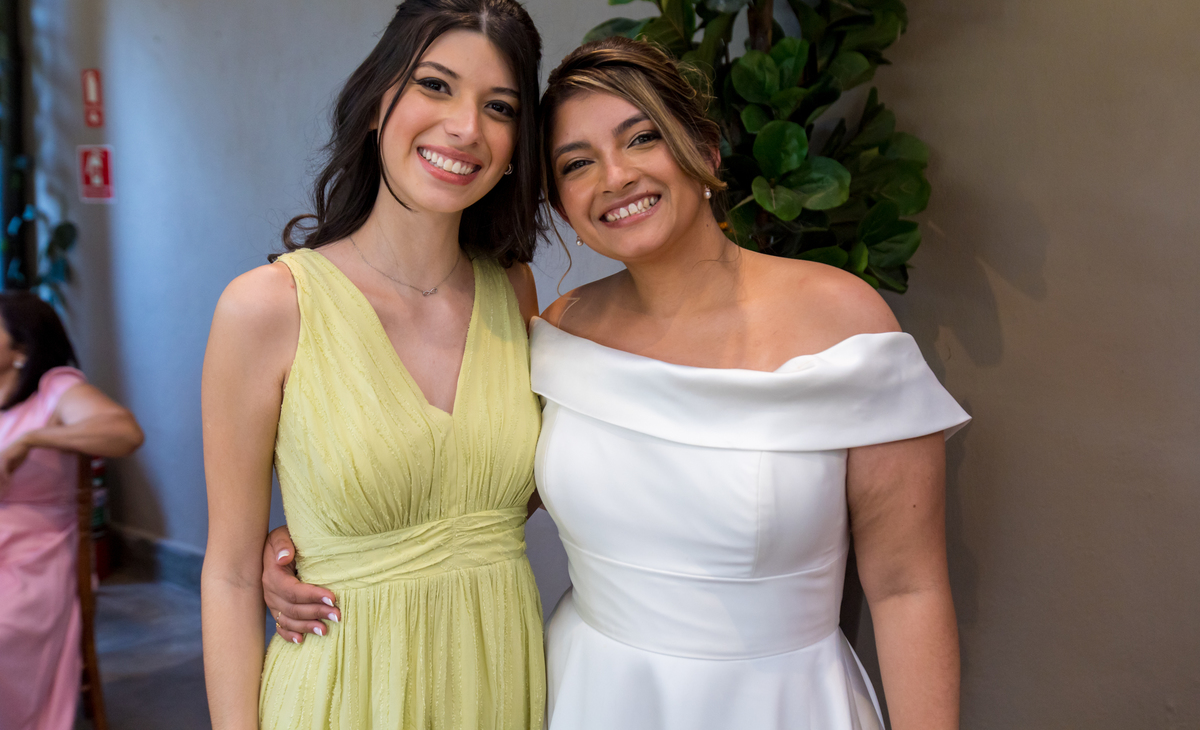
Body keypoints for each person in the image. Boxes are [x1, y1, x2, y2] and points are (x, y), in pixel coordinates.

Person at [263, 37, 970, 730]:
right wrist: (316, 546)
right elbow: (483, 490)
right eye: (577, 164)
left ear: (705, 150)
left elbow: (907, 588)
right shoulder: (561, 332)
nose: (616, 176)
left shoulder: (843, 321)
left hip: (778, 704)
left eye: (641, 138)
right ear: (561, 206)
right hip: (588, 695)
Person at [200, 0, 547, 730]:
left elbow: (516, 492)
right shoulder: (268, 309)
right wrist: (309, 549)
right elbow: (228, 574)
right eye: (435, 85)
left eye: (500, 107)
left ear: (518, 147)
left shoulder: (515, 293)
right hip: (342, 693)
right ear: (374, 103)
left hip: (498, 687)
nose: (466, 127)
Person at [0, 291, 144, 730]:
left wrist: (32, 439)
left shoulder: (55, 389)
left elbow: (124, 432)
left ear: (22, 349)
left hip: (33, 553)